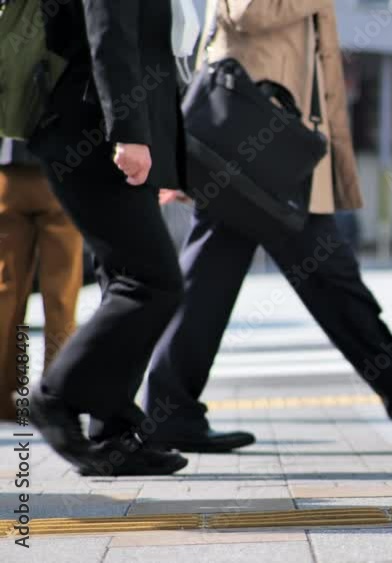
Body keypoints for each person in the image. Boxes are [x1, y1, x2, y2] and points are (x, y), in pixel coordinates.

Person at [148, 0, 392, 453]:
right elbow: (244, 11)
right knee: (322, 277)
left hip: (272, 146)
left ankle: (169, 410)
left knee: (281, 277)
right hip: (254, 145)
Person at [27, 1, 189, 475]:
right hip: (93, 137)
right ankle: (55, 397)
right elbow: (109, 38)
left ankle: (115, 434)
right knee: (152, 282)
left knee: (127, 279)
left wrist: (163, 155)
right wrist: (130, 135)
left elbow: (153, 53)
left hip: (106, 135)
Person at [0, 139, 83, 421]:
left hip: (7, 171)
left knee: (5, 290)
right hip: (62, 169)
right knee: (61, 292)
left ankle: (4, 394)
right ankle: (55, 396)